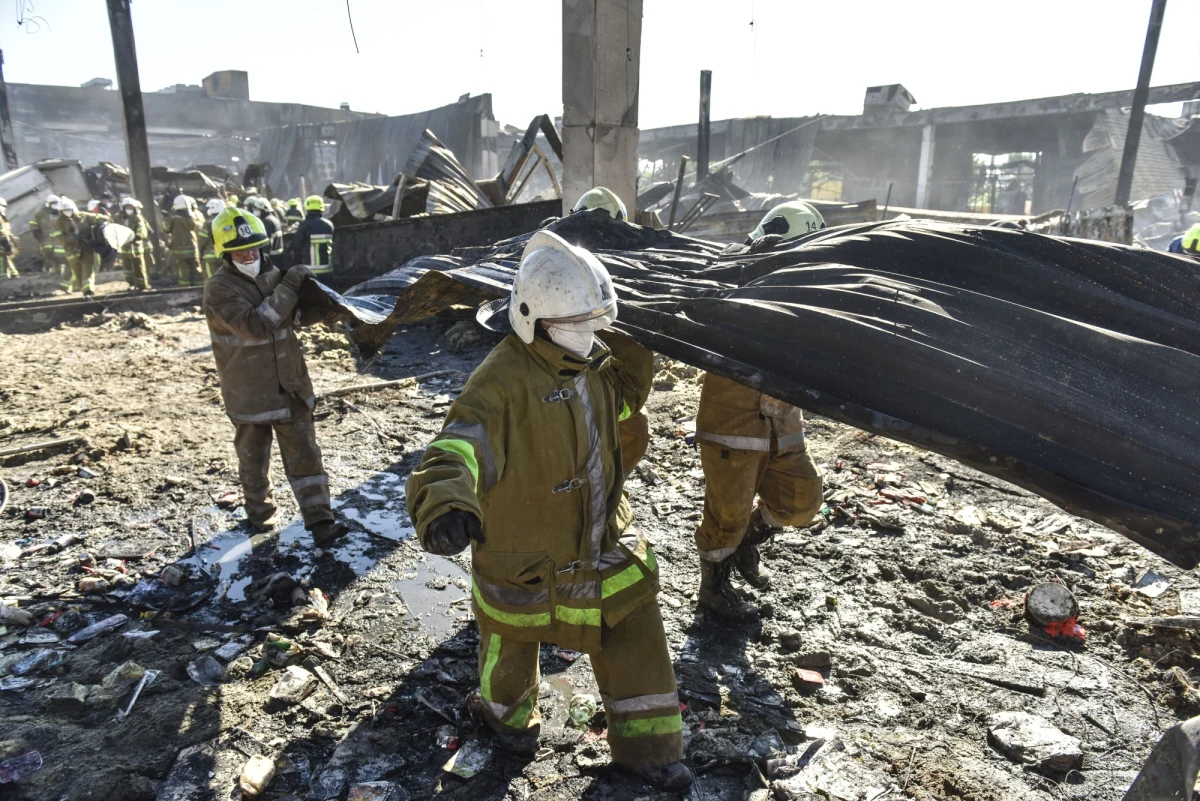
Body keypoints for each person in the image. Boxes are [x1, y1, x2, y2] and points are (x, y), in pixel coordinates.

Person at [405, 230, 690, 792]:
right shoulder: (502, 380)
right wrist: (444, 503)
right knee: (509, 647)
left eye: (596, 323)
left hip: (604, 538)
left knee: (636, 629)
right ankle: (503, 718)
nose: (590, 335)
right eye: (577, 325)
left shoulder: (599, 364)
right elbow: (459, 445)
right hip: (525, 552)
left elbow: (628, 400)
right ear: (533, 318)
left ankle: (650, 749)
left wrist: (645, 332)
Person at [693, 201, 826, 622]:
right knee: (727, 512)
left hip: (782, 420)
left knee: (803, 499)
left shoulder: (815, 290)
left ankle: (747, 542)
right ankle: (713, 587)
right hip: (734, 421)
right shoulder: (736, 279)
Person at [203, 206, 347, 547]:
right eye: (241, 249)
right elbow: (256, 325)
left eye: (255, 246)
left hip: (290, 385)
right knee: (254, 459)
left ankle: (321, 522)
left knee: (307, 456)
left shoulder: (272, 275)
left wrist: (324, 308)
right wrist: (292, 284)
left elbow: (290, 317)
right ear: (226, 252)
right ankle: (260, 516)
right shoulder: (219, 289)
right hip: (249, 392)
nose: (250, 253)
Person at [571, 187, 651, 475]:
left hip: (574, 395)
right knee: (634, 432)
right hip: (597, 399)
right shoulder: (634, 275)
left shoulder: (558, 266)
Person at [52, 198, 108, 295]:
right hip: (71, 250)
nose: (67, 212)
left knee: (88, 268)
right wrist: (73, 238)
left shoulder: (84, 216)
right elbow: (59, 237)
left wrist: (102, 223)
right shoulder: (58, 222)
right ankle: (83, 288)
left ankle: (88, 290)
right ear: (60, 211)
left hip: (87, 248)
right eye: (64, 211)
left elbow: (103, 218)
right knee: (77, 272)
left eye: (69, 210)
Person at [163, 194, 204, 287]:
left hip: (179, 247)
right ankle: (199, 286)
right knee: (196, 267)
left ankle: (185, 287)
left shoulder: (173, 217)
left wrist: (167, 218)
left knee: (183, 268)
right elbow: (197, 228)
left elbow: (166, 228)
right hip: (192, 245)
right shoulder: (194, 216)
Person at [292, 195, 334, 277]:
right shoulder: (329, 225)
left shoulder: (304, 225)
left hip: (310, 271)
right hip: (327, 269)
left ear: (307, 208)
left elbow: (297, 247)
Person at [117, 197, 150, 290]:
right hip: (124, 247)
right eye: (127, 207)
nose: (129, 209)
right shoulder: (118, 217)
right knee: (127, 269)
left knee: (139, 267)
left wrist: (137, 236)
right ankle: (130, 284)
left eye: (130, 207)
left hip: (135, 248)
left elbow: (142, 229)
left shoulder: (137, 217)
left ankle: (142, 286)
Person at [29, 194, 60, 272]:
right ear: (48, 204)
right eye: (53, 203)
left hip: (59, 239)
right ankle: (47, 269)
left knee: (60, 256)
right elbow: (33, 223)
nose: (55, 205)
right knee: (49, 254)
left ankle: (56, 271)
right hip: (46, 239)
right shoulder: (40, 214)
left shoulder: (61, 213)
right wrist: (36, 232)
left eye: (57, 203)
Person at [248, 197, 285, 262]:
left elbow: (267, 243)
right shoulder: (273, 218)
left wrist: (264, 258)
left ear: (263, 210)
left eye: (257, 209)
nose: (255, 211)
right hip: (279, 254)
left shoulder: (266, 222)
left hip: (272, 257)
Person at [198, 198, 226, 280]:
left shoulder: (208, 222)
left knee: (212, 279)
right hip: (226, 255)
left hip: (211, 256)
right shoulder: (227, 220)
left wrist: (200, 251)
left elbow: (202, 239)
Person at [0, 198, 17, 279]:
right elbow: (2, 232)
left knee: (6, 258)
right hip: (2, 243)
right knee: (2, 260)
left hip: (3, 242)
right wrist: (6, 244)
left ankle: (13, 274)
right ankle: (3, 278)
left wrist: (11, 237)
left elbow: (6, 231)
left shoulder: (3, 217)